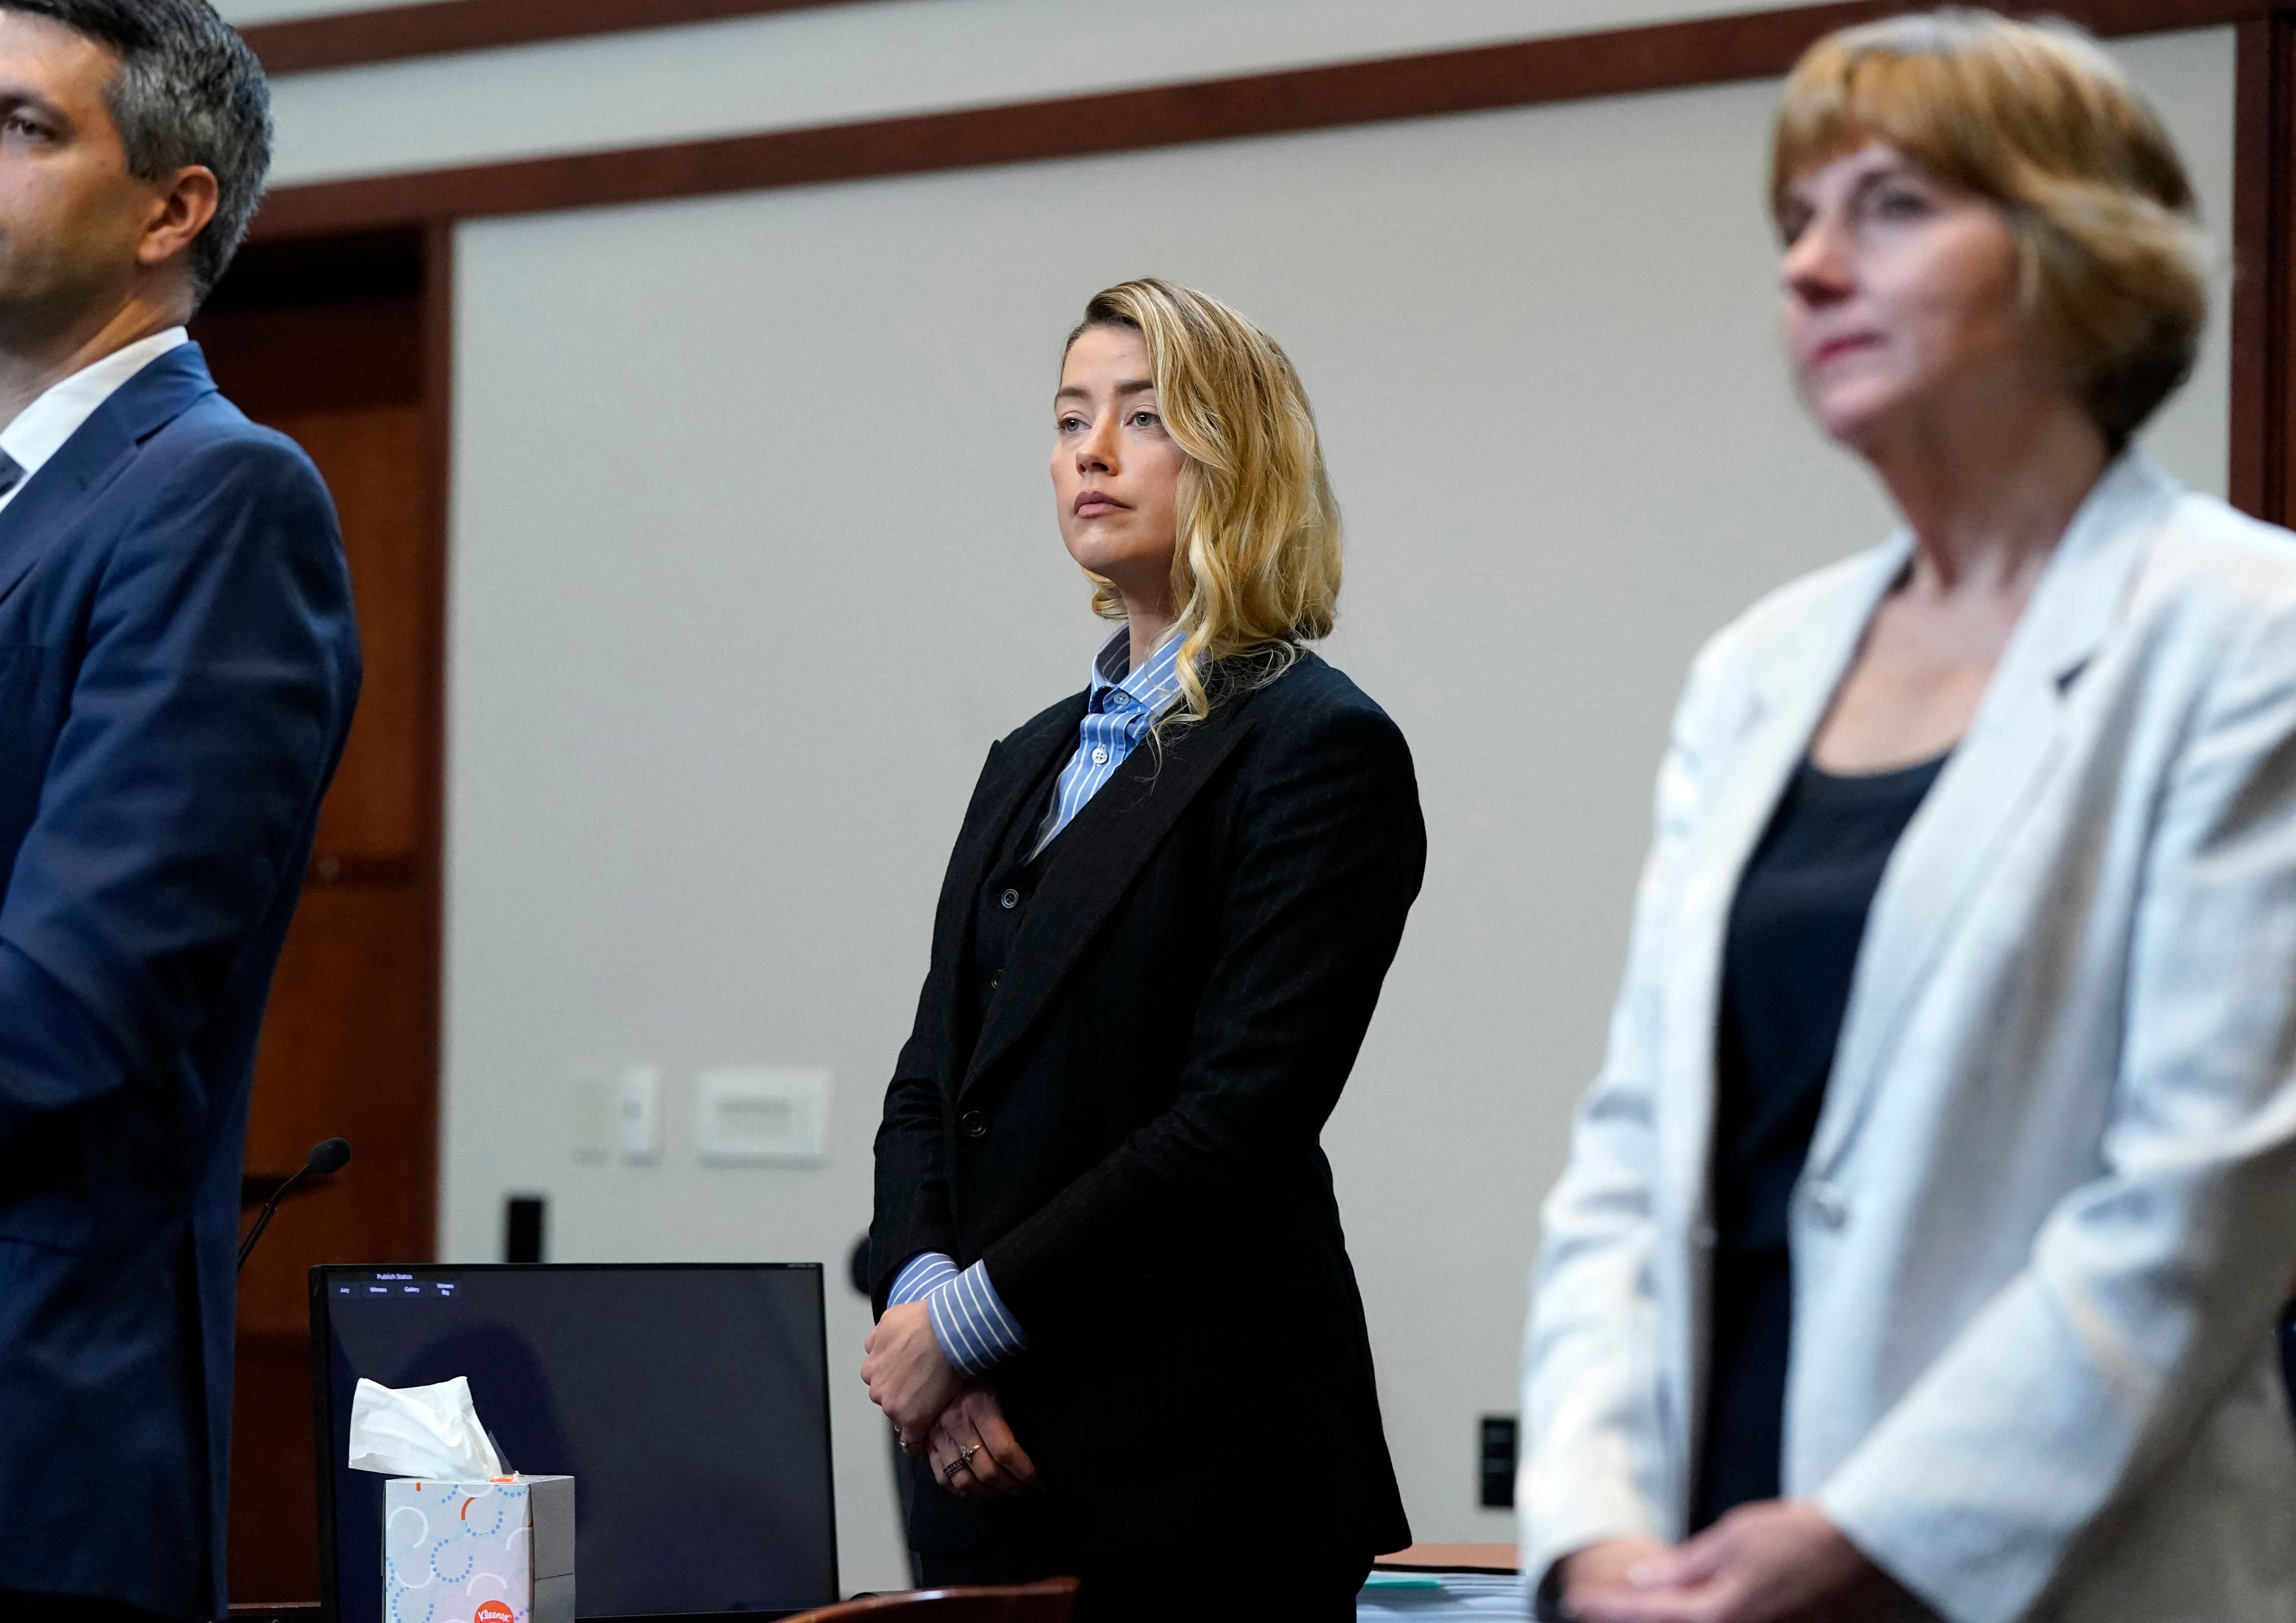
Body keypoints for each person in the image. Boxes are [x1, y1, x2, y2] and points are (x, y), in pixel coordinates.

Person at [1521, 13, 2296, 1623]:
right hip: (1694, 1561)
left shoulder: (2243, 630)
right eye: (1795, 220)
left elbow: (2203, 1199)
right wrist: (1588, 1530)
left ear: (2074, 250)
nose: (1809, 266)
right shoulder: (1756, 671)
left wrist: (1877, 1537)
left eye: (1889, 205)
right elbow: (1628, 1164)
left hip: (2046, 1569)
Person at [0, 1, 359, 1618]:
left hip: (13, 1453)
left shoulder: (220, 491)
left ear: (171, 207)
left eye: (24, 123)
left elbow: (84, 990)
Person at [862, 278, 1423, 1620]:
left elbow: (1234, 1126)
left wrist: (966, 1326)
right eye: (1069, 420)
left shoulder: (1317, 747)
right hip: (983, 1456)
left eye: (1143, 418)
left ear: (1239, 459)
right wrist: (926, 1300)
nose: (1091, 453)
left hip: (1204, 1479)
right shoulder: (1024, 760)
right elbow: (931, 1087)